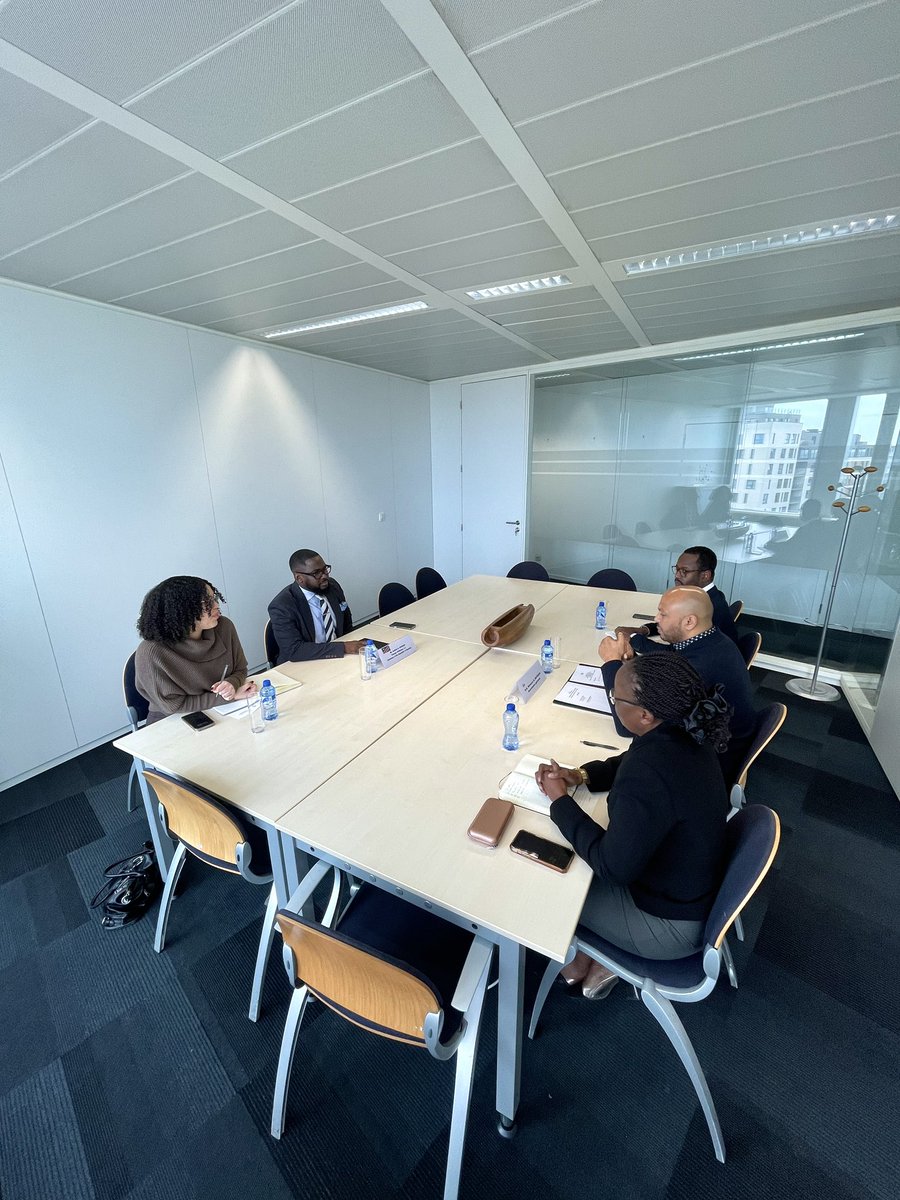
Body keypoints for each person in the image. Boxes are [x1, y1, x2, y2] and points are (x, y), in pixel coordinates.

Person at [536, 654, 731, 998]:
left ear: (645, 715)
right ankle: (585, 958)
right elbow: (631, 759)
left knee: (549, 881)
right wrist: (581, 775)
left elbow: (613, 867)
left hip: (666, 925)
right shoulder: (686, 729)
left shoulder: (650, 773)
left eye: (616, 698)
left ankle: (591, 958)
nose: (613, 703)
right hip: (685, 888)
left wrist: (560, 802)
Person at [603, 586, 755, 786]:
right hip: (714, 745)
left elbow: (631, 727)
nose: (656, 618)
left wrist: (611, 662)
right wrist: (631, 664)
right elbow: (671, 658)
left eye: (663, 614)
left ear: (689, 621)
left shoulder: (697, 668)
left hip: (708, 766)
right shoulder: (710, 640)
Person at [135, 576, 257, 723]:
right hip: (172, 720)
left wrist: (232, 684)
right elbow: (173, 706)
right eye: (207, 602)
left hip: (222, 710)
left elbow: (240, 669)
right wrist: (228, 697)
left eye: (214, 598)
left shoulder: (224, 627)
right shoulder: (152, 652)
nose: (216, 605)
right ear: (181, 610)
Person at [618, 546, 739, 644]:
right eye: (677, 569)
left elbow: (677, 652)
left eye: (684, 571)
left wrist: (634, 639)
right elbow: (675, 624)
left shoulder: (710, 606)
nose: (677, 575)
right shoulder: (707, 596)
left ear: (705, 576)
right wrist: (643, 630)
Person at [267, 549, 365, 663]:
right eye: (317, 573)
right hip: (304, 663)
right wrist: (343, 648)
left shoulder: (332, 586)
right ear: (299, 578)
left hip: (338, 656)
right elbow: (294, 650)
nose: (324, 576)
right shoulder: (282, 606)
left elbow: (346, 622)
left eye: (325, 569)